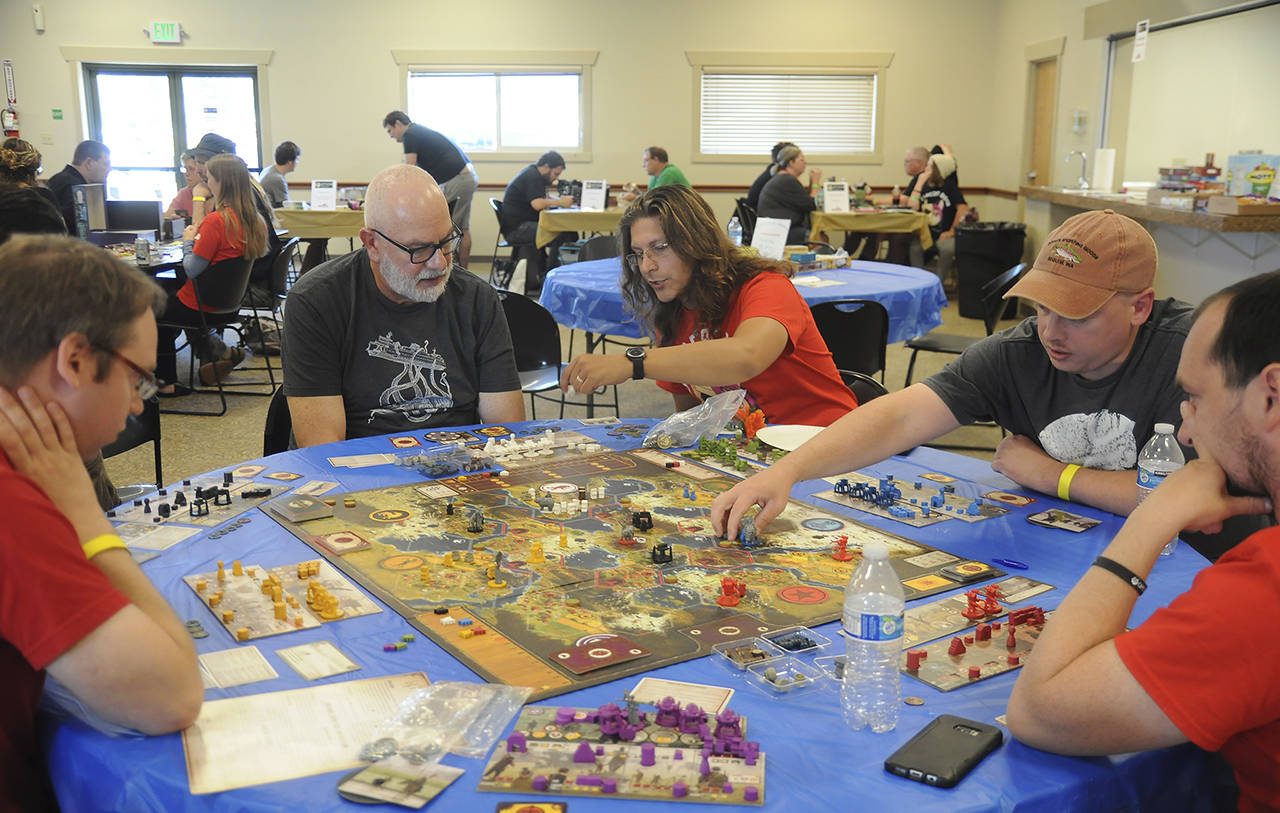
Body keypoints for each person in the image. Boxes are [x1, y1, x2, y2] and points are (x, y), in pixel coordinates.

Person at [711, 209, 1193, 538]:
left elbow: (1187, 499)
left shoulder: (1194, 357)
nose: (1052, 331)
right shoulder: (1018, 351)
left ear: (1140, 307)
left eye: (1078, 315)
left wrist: (1049, 474)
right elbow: (899, 417)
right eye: (1042, 307)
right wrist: (785, 473)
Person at [1006, 269, 1280, 813]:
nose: (1185, 431)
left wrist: (1153, 518)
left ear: (1271, 396)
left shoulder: (1264, 593)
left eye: (1196, 399)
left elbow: (1040, 713)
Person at [0, 234, 203, 812]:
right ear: (76, 359)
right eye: (139, 377)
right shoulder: (15, 502)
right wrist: (87, 517)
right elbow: (171, 695)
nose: (140, 403)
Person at [559, 185, 856, 426]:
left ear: (697, 242)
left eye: (660, 248)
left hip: (828, 446)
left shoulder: (765, 286)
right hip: (755, 458)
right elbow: (690, 419)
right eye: (638, 254)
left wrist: (633, 362)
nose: (646, 267)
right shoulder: (671, 315)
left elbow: (747, 356)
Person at [282, 164, 523, 446]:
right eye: (419, 249)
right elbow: (323, 450)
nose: (440, 263)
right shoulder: (316, 302)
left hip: (458, 470)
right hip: (359, 470)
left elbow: (506, 435)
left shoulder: (477, 299)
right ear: (372, 244)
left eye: (446, 242)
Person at [156, 154, 267, 394]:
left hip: (200, 306)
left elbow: (191, 268)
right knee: (167, 299)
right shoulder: (255, 221)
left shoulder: (216, 221)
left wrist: (188, 240)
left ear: (220, 183)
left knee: (153, 310)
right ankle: (213, 352)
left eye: (209, 178)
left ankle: (165, 383)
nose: (206, 183)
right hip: (231, 305)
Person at [382, 111, 477, 268]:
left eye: (390, 131)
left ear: (398, 124)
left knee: (452, 228)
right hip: (462, 177)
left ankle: (458, 273)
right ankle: (459, 271)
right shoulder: (418, 131)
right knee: (459, 227)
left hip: (458, 179)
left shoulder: (410, 134)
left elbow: (410, 171)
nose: (391, 136)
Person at [501, 150, 575, 291]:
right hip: (518, 229)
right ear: (546, 167)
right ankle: (549, 275)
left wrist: (559, 201)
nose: (555, 179)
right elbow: (537, 204)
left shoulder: (532, 173)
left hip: (518, 225)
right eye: (556, 174)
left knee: (564, 232)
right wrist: (560, 202)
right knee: (562, 234)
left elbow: (542, 198)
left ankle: (546, 271)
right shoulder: (533, 177)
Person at [902, 148, 968, 279]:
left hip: (944, 234)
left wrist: (952, 231)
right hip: (925, 233)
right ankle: (918, 281)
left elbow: (963, 208)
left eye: (929, 167)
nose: (926, 169)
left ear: (939, 169)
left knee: (947, 249)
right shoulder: (921, 184)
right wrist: (920, 183)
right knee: (914, 248)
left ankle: (938, 283)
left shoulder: (949, 186)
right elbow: (912, 207)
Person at [757, 145, 823, 244]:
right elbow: (812, 205)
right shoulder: (787, 180)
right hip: (779, 232)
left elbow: (804, 201)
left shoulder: (783, 178)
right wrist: (816, 182)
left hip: (775, 229)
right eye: (802, 160)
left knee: (820, 236)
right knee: (820, 238)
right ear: (791, 163)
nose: (805, 163)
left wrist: (811, 184)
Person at [44, 139, 111, 232]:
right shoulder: (75, 189)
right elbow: (76, 232)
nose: (109, 169)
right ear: (89, 163)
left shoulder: (60, 179)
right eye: (106, 164)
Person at [746, 142, 795, 211]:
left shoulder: (771, 171)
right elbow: (802, 203)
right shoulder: (780, 177)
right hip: (763, 218)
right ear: (788, 161)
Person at [259, 140, 300, 209]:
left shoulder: (268, 170)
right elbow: (286, 208)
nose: (297, 162)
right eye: (297, 159)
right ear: (290, 162)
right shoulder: (277, 179)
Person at [163, 150, 200, 220]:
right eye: (185, 169)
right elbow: (167, 217)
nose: (186, 174)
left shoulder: (215, 193)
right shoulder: (184, 193)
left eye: (191, 169)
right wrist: (173, 220)